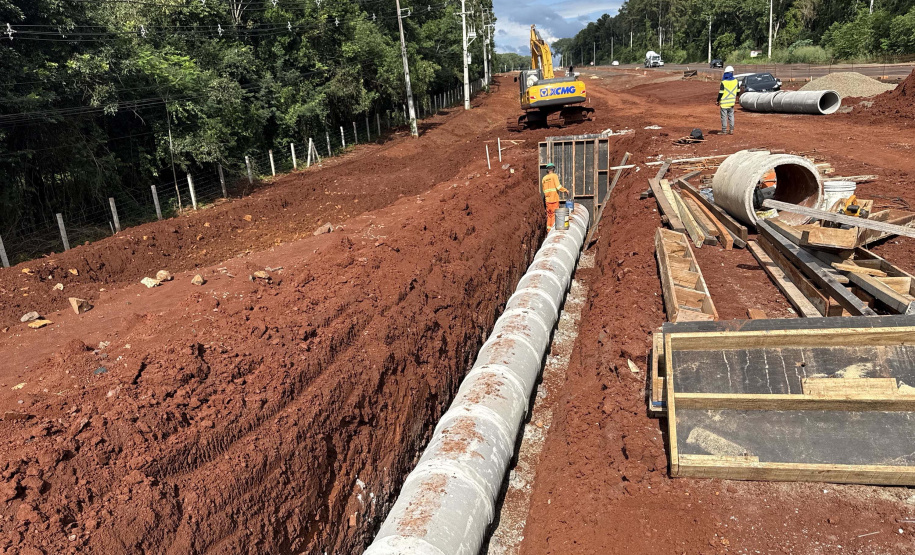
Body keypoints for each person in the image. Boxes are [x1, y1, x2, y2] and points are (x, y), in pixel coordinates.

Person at [541, 163, 569, 230]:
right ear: (553, 169)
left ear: (547, 170)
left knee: (549, 216)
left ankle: (548, 230)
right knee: (554, 215)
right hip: (554, 199)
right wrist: (565, 190)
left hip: (547, 200)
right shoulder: (554, 176)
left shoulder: (544, 178)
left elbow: (544, 190)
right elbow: (558, 187)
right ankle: (553, 230)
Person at [717, 65, 739, 135]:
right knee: (731, 116)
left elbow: (720, 93)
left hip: (724, 103)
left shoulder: (723, 82)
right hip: (732, 102)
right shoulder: (736, 81)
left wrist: (717, 101)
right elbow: (738, 91)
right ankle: (731, 130)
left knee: (724, 117)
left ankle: (724, 131)